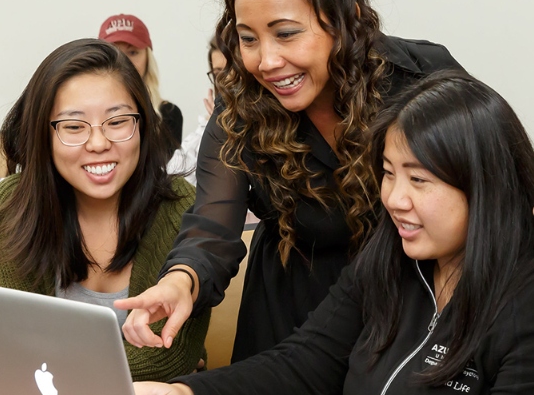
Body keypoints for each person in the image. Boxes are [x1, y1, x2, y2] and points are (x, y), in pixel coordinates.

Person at [119, 0, 463, 363]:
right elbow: (212, 224)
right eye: (248, 39)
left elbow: (491, 192)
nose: (266, 61)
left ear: (346, 20)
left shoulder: (418, 77)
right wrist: (179, 281)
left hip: (412, 307)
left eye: (286, 34)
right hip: (291, 315)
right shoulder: (241, 106)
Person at [132, 70, 534, 394]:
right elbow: (305, 363)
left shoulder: (520, 306)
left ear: (485, 185)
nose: (394, 199)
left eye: (419, 180)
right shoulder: (387, 262)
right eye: (389, 174)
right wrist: (182, 393)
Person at [0, 38, 210, 393]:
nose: (98, 143)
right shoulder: (13, 206)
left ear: (142, 125)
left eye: (117, 121)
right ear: (43, 134)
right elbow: (26, 342)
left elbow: (169, 357)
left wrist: (27, 371)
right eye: (74, 127)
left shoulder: (179, 206)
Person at [99, 13, 183, 156]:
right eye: (114, 52)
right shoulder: (84, 115)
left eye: (132, 52)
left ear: (147, 58)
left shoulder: (168, 114)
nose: (124, 61)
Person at [167, 37, 227, 185]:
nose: (228, 81)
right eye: (219, 74)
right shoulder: (210, 126)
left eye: (233, 70)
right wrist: (215, 127)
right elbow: (171, 178)